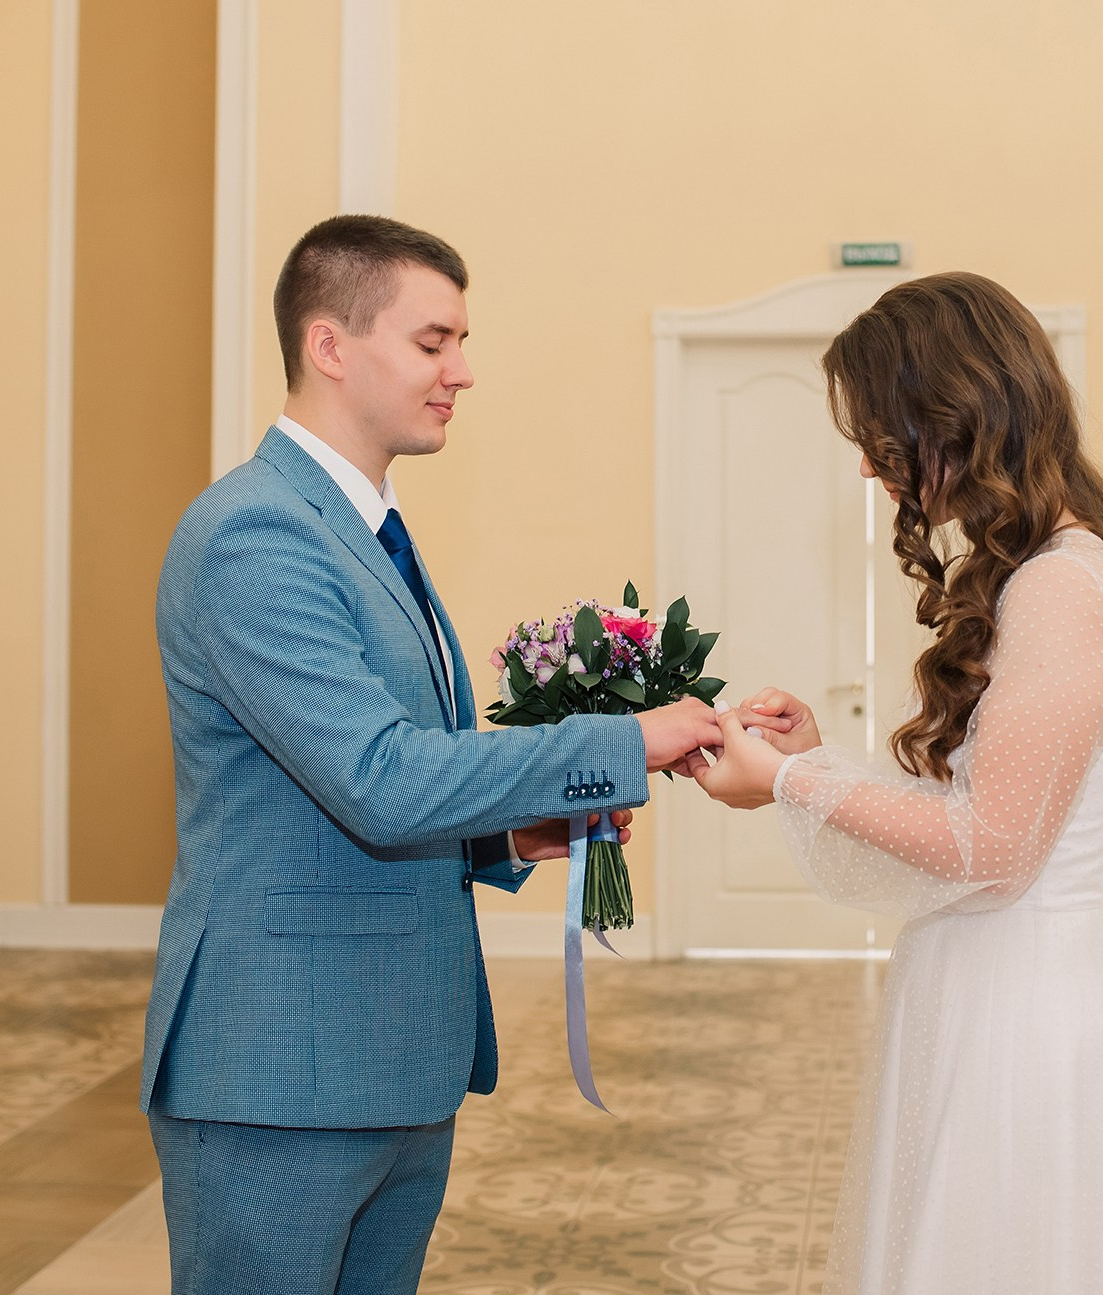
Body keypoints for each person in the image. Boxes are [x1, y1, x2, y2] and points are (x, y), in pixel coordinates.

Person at [140, 214, 720, 1295]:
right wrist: (625, 740)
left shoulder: (363, 532)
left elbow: (357, 785)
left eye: (460, 340)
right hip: (282, 1069)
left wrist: (506, 833)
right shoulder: (252, 533)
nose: (462, 370)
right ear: (329, 346)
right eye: (432, 340)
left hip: (392, 1061)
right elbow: (379, 775)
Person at [692, 272, 1103, 1292]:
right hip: (990, 984)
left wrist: (794, 779)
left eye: (883, 436)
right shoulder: (1047, 570)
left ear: (957, 413)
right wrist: (816, 757)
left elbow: (992, 846)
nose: (866, 466)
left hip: (1026, 1018)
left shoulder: (1060, 585)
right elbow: (986, 814)